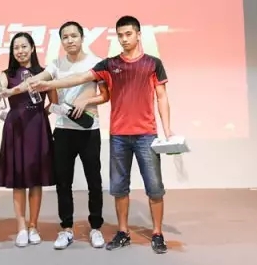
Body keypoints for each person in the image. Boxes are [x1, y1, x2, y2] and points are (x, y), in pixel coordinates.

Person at [31, 16, 173, 254]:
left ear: (138, 34)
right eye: (120, 35)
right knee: (119, 187)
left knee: (155, 187)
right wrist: (49, 85)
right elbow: (80, 77)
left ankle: (157, 233)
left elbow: (162, 97)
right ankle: (122, 232)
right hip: (118, 135)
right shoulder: (109, 64)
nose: (124, 39)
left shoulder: (153, 63)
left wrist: (168, 131)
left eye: (128, 34)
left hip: (146, 135)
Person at [26, 21, 110, 250]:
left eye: (74, 36)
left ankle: (95, 227)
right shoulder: (56, 64)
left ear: (82, 38)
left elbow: (105, 96)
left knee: (94, 181)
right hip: (63, 130)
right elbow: (42, 78)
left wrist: (86, 101)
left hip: (89, 131)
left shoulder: (96, 63)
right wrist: (23, 85)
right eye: (65, 37)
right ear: (61, 41)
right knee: (63, 182)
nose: (70, 40)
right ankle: (66, 228)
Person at [0, 32, 57, 247]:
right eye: (16, 48)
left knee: (36, 179)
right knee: (18, 180)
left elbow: (54, 101)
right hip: (16, 128)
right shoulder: (7, 74)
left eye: (23, 46)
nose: (20, 51)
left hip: (37, 128)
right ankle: (21, 227)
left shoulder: (44, 73)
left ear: (32, 48)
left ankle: (33, 226)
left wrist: (40, 115)